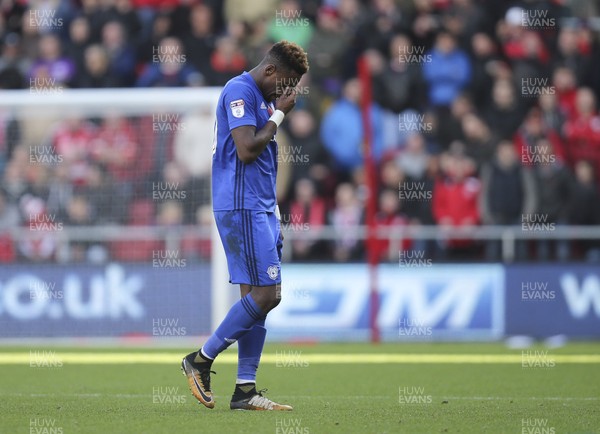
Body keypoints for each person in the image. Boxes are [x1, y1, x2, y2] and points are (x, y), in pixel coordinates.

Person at [181, 40, 309, 411]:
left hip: (261, 207)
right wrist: (280, 115)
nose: (287, 92)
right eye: (285, 83)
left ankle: (245, 390)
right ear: (270, 70)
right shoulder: (240, 90)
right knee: (269, 294)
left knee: (256, 299)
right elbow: (246, 148)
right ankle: (200, 360)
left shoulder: (264, 98)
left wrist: (275, 209)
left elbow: (263, 163)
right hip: (241, 206)